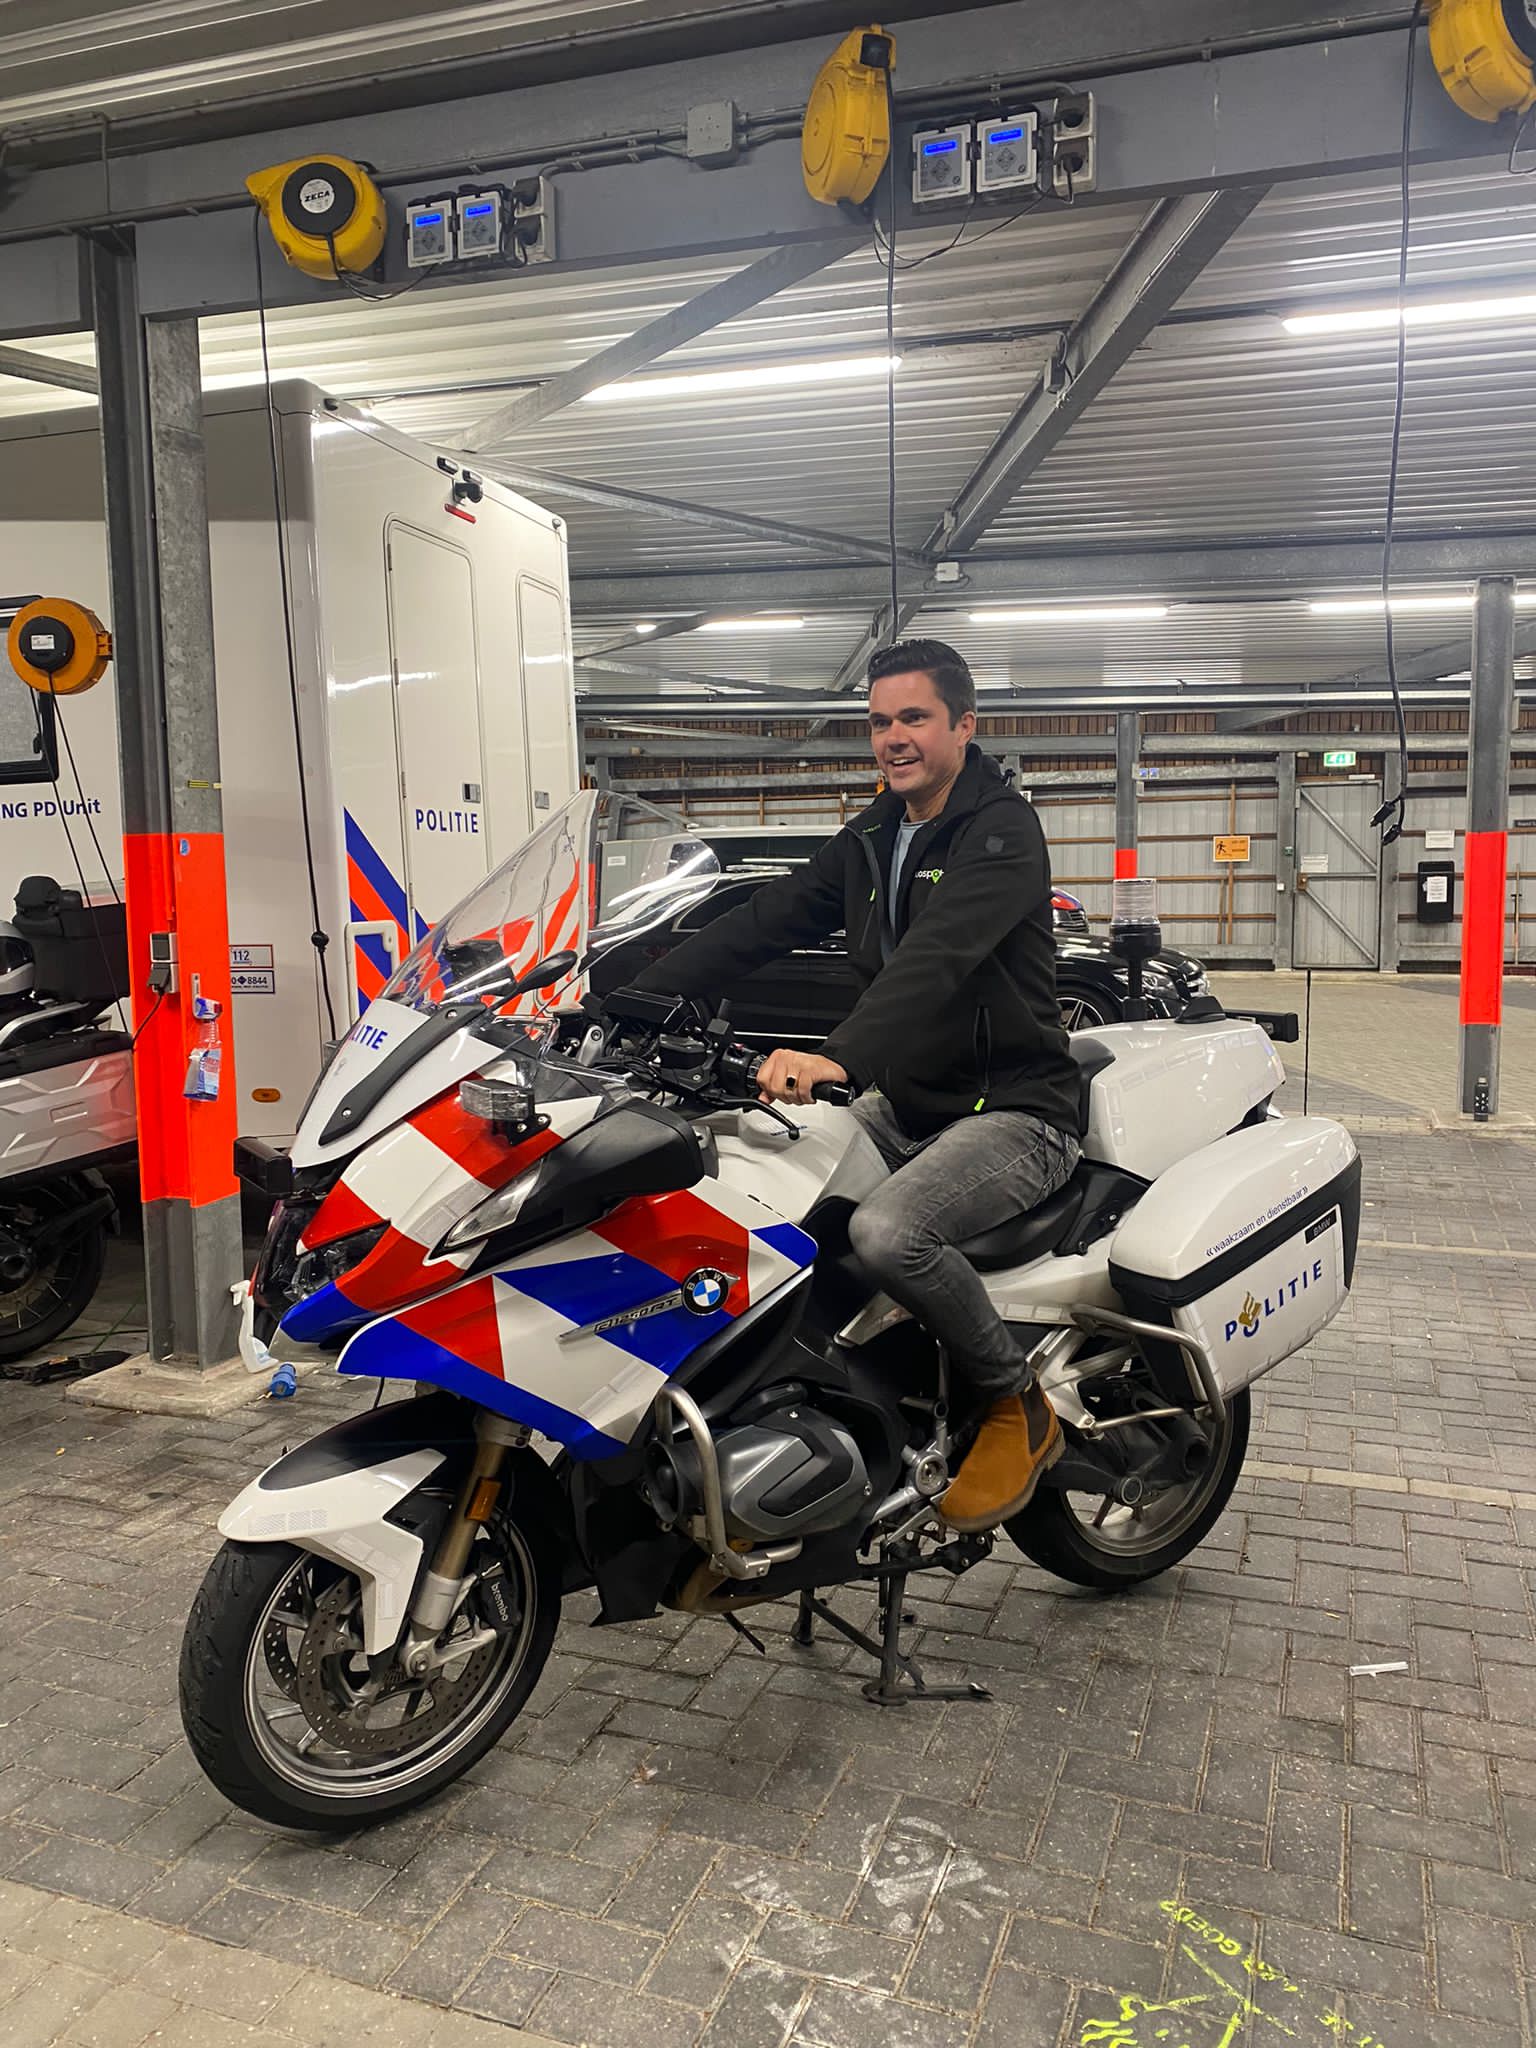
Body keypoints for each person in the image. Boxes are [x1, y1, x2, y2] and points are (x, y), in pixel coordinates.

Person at [636, 638, 1082, 1530]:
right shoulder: (877, 833)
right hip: (907, 1104)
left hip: (1015, 1108)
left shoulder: (1001, 832)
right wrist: (625, 993)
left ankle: (1016, 1404)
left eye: (914, 717)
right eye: (879, 722)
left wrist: (839, 1055)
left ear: (964, 724)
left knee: (889, 1233)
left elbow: (936, 959)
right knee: (745, 1181)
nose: (893, 737)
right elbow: (766, 918)